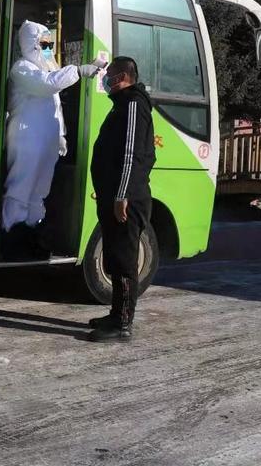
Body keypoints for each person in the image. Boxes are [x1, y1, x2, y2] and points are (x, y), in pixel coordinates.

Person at [2, 21, 106, 257]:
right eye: (45, 44)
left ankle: (31, 238)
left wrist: (60, 135)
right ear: (32, 44)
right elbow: (46, 85)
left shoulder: (46, 71)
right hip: (27, 137)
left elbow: (55, 107)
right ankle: (10, 236)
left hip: (45, 140)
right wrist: (78, 71)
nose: (49, 49)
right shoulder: (22, 68)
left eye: (51, 44)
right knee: (21, 188)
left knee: (39, 191)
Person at [87, 56, 155, 343]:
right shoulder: (123, 105)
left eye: (111, 74)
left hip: (127, 198)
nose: (106, 79)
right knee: (115, 257)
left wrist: (121, 194)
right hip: (115, 195)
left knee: (125, 261)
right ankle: (116, 314)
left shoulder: (133, 105)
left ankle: (122, 324)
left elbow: (131, 154)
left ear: (124, 77)